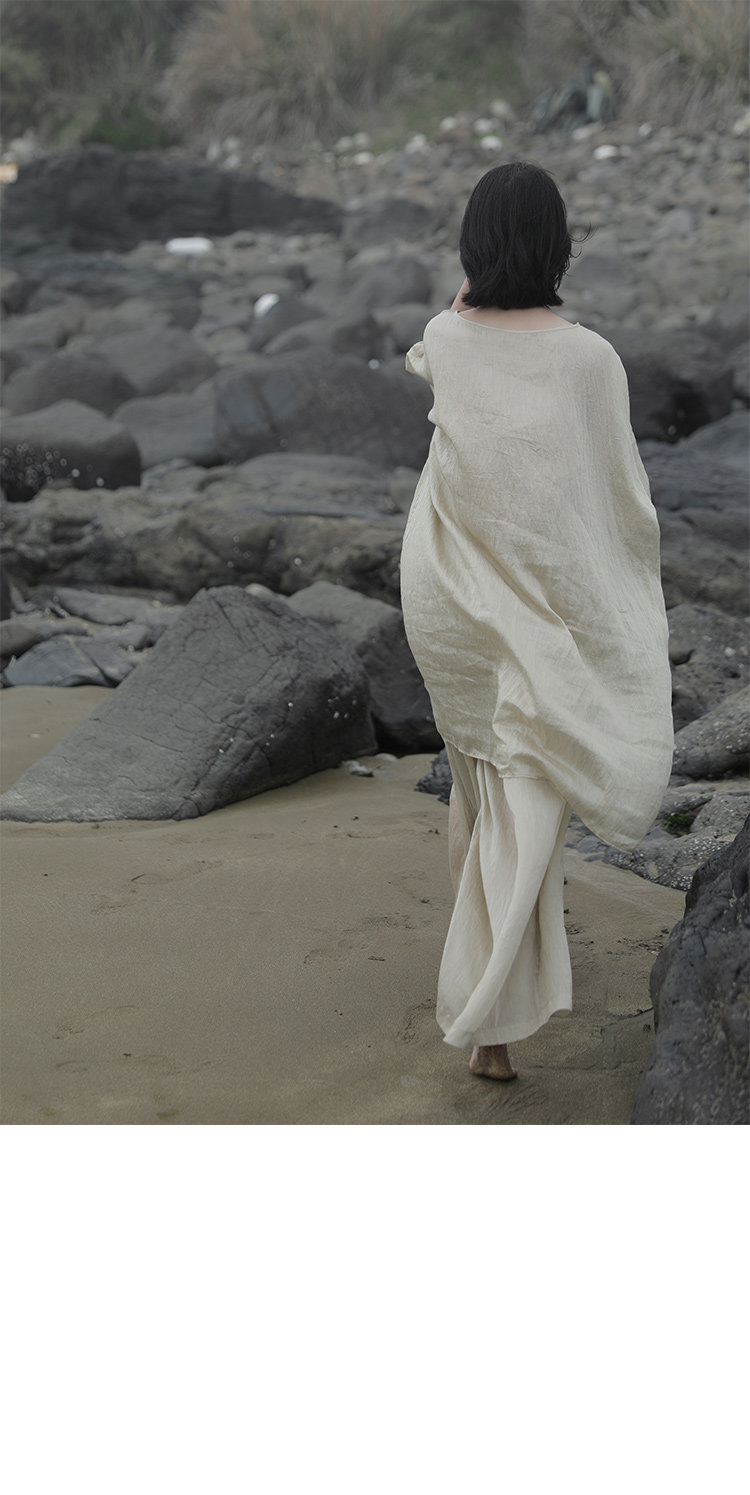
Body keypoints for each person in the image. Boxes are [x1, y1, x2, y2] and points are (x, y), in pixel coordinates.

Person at [400, 161, 673, 1082]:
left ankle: (494, 1006)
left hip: (445, 587)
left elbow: (432, 358)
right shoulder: (590, 359)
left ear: (472, 246)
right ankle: (490, 1016)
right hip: (530, 595)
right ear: (559, 245)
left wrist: (469, 295)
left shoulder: (447, 336)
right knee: (521, 789)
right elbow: (616, 496)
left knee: (485, 781)